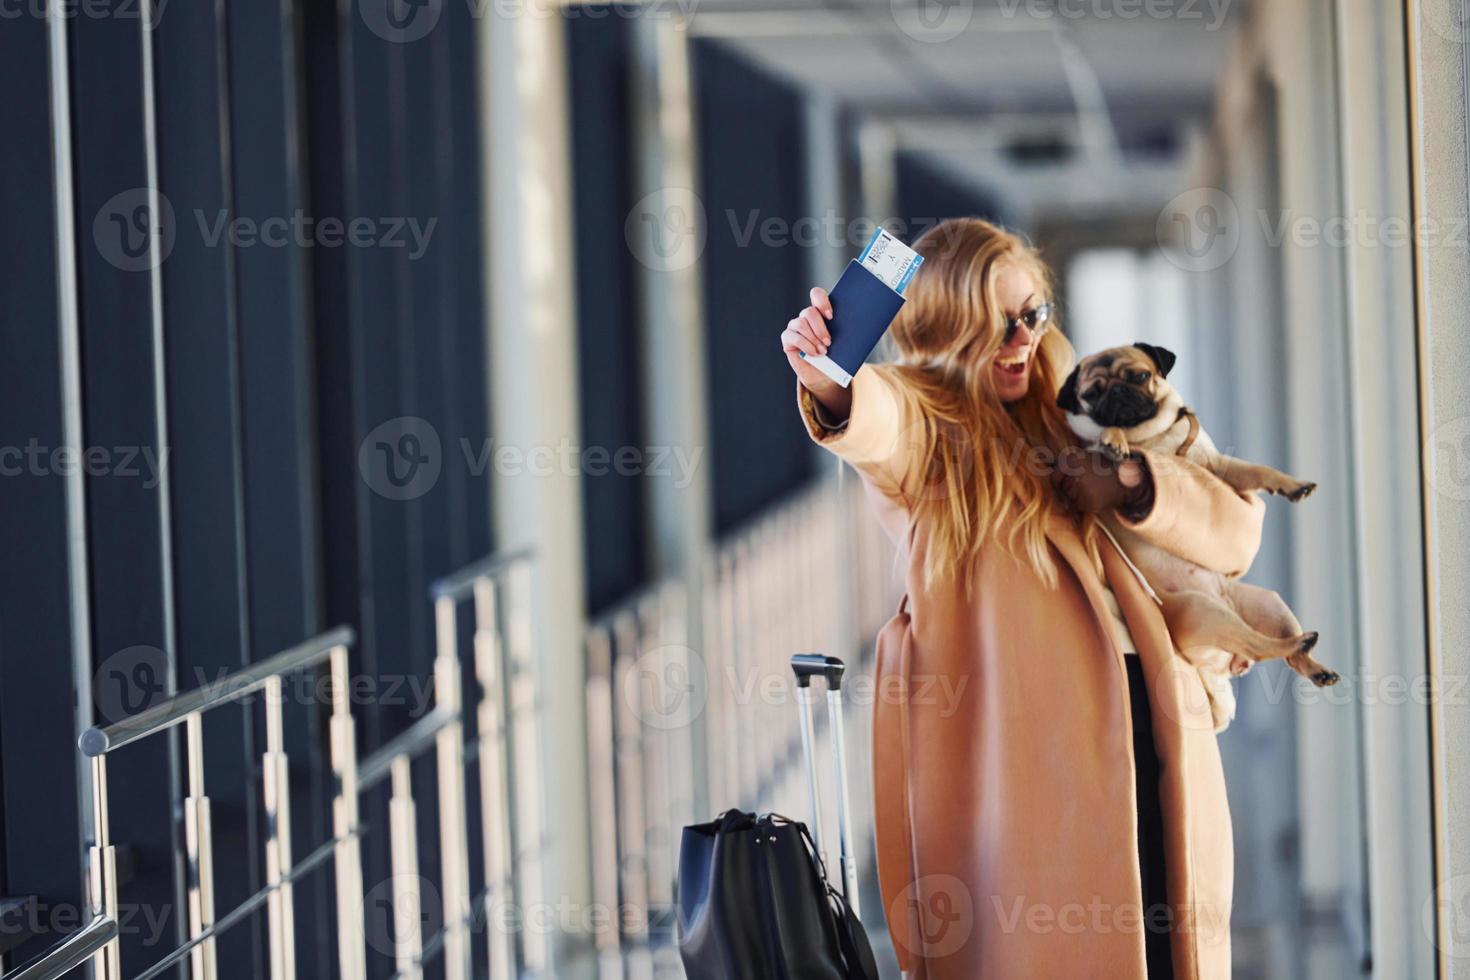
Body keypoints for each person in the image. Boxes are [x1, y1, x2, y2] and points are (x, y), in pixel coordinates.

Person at [781, 218, 1263, 979]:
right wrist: (827, 375)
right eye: (996, 323)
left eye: (1033, 313)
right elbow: (873, 419)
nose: (1022, 338)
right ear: (947, 330)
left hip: (1156, 743)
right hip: (1039, 782)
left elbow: (1230, 528)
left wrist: (1137, 485)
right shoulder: (929, 435)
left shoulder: (1080, 403)